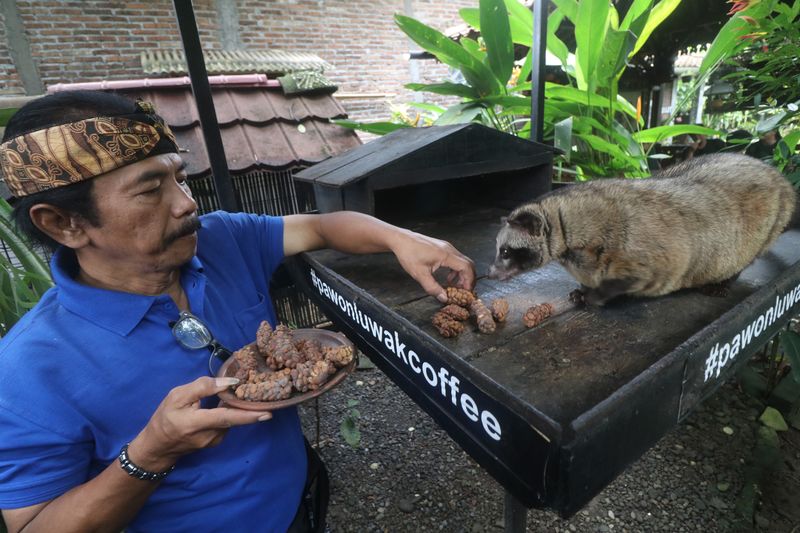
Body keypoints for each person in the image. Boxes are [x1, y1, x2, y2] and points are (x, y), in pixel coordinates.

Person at [0, 91, 476, 533]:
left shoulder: (221, 240)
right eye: (150, 190)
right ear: (62, 223)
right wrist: (150, 451)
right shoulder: (26, 371)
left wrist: (404, 240)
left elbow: (322, 226)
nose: (187, 204)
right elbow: (34, 527)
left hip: (302, 503)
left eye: (180, 179)